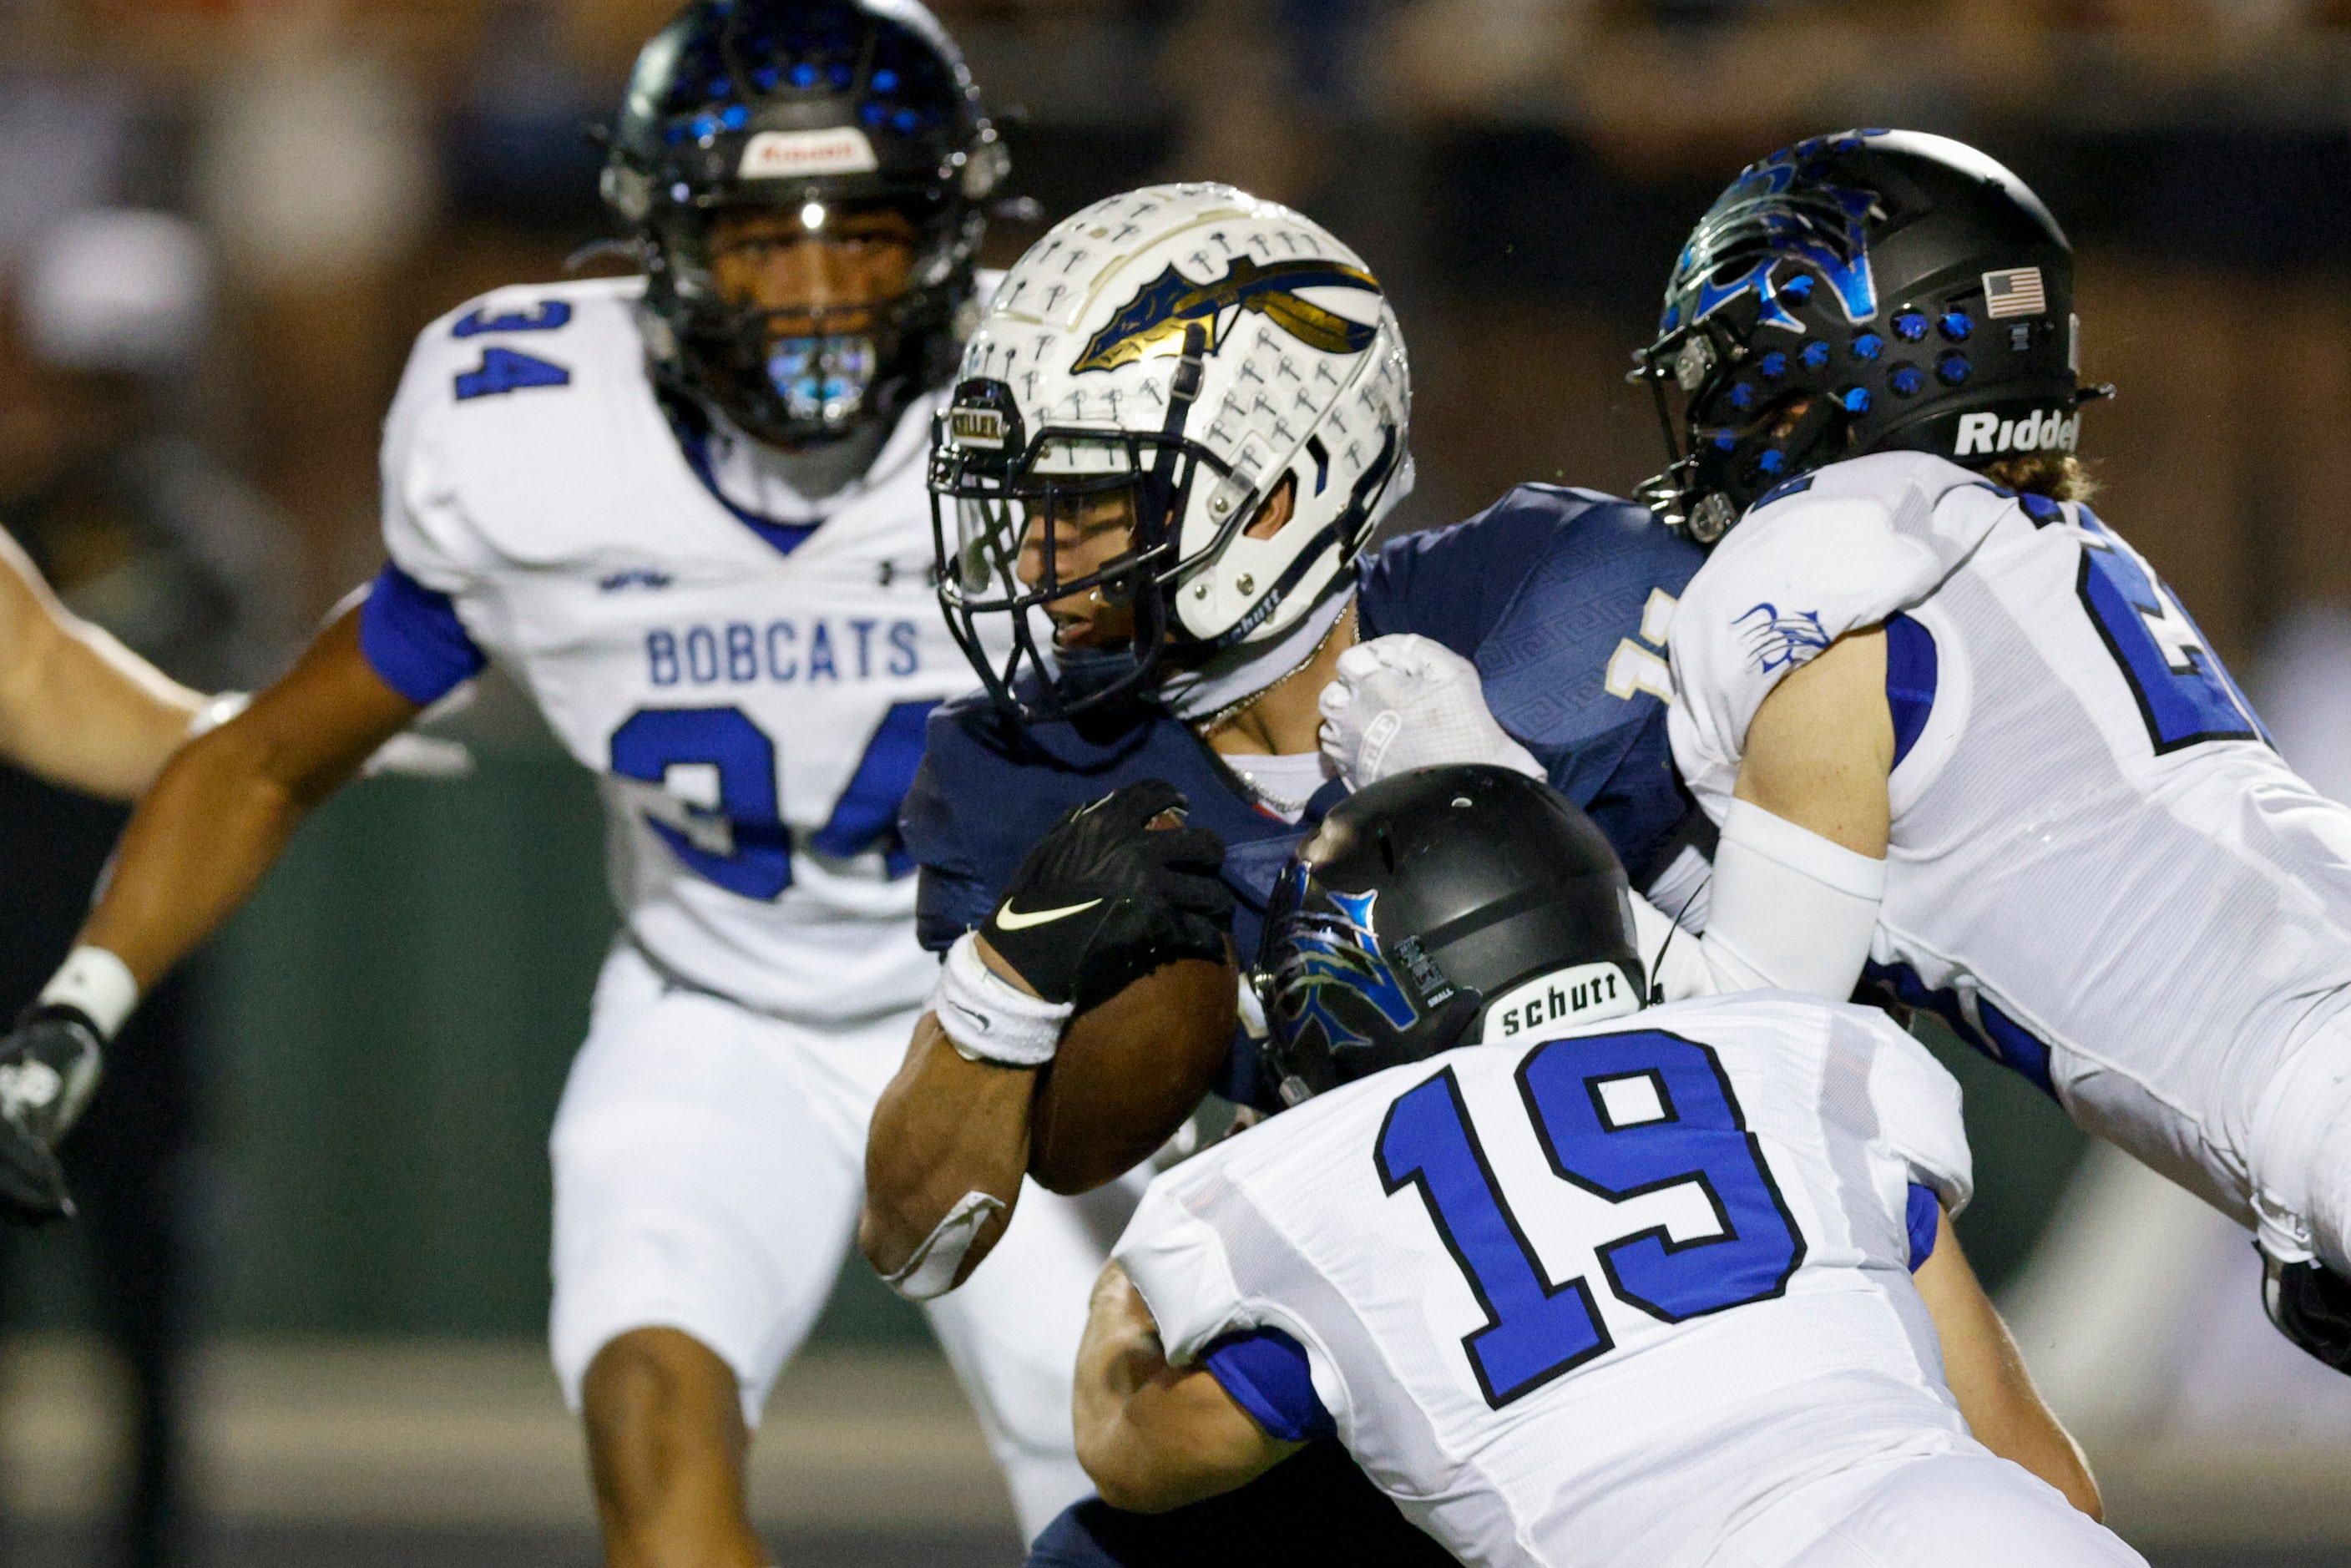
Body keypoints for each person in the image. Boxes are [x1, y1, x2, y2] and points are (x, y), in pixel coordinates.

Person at [0, 3, 1110, 1562]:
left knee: (1145, 1475)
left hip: (1037, 1015)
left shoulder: (1076, 404)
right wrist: (85, 1000)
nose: (809, 296)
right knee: (651, 1422)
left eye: (858, 237)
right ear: (661, 247)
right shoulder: (531, 434)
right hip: (710, 1006)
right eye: (755, 239)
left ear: (949, 236)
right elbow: (264, 755)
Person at [1328, 128, 2351, 1378]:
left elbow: (1754, 1041)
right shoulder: (2061, 548)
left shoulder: (1817, 556)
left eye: (1742, 370)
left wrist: (1479, 782)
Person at [861, 182, 1707, 1563]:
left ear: (1281, 493)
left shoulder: (1563, 611)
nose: (1032, 557)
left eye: (1083, 504)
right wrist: (1003, 983)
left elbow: (1790, 1010)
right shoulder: (1034, 767)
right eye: (1025, 503)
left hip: (1664, 1320)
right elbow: (917, 1236)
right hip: (1371, 1342)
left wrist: (1514, 809)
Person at [1079, 764, 2141, 1567]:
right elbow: (2048, 1482)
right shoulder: (1791, 1055)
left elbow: (1133, 1451)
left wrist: (1121, 1295)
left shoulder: (1321, 1175)